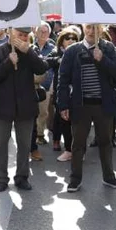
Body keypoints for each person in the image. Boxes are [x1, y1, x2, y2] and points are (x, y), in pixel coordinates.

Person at [56, 23, 116, 192]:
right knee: (77, 144)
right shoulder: (73, 51)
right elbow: (63, 80)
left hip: (103, 105)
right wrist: (63, 104)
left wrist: (103, 59)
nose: (91, 31)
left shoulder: (108, 48)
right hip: (81, 106)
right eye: (88, 27)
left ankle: (109, 177)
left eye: (94, 27)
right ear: (84, 29)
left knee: (105, 143)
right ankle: (75, 179)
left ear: (100, 29)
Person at [0, 26, 49, 192]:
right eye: (20, 34)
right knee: (0, 145)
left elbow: (42, 68)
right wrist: (8, 62)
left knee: (24, 144)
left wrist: (29, 53)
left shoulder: (30, 51)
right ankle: (1, 178)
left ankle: (22, 177)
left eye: (26, 35)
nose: (23, 37)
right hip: (3, 106)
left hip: (26, 106)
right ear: (10, 34)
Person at [47, 29, 79, 161]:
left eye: (73, 38)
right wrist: (59, 60)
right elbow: (47, 60)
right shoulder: (57, 52)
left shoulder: (81, 51)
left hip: (78, 93)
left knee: (78, 123)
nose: (71, 40)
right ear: (62, 41)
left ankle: (78, 150)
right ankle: (66, 148)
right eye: (67, 38)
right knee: (63, 120)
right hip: (62, 93)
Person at [32, 22, 56, 158]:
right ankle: (33, 134)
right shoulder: (30, 47)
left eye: (45, 31)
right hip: (30, 84)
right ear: (35, 32)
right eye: (40, 31)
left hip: (46, 84)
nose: (43, 34)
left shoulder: (52, 48)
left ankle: (40, 134)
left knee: (43, 111)